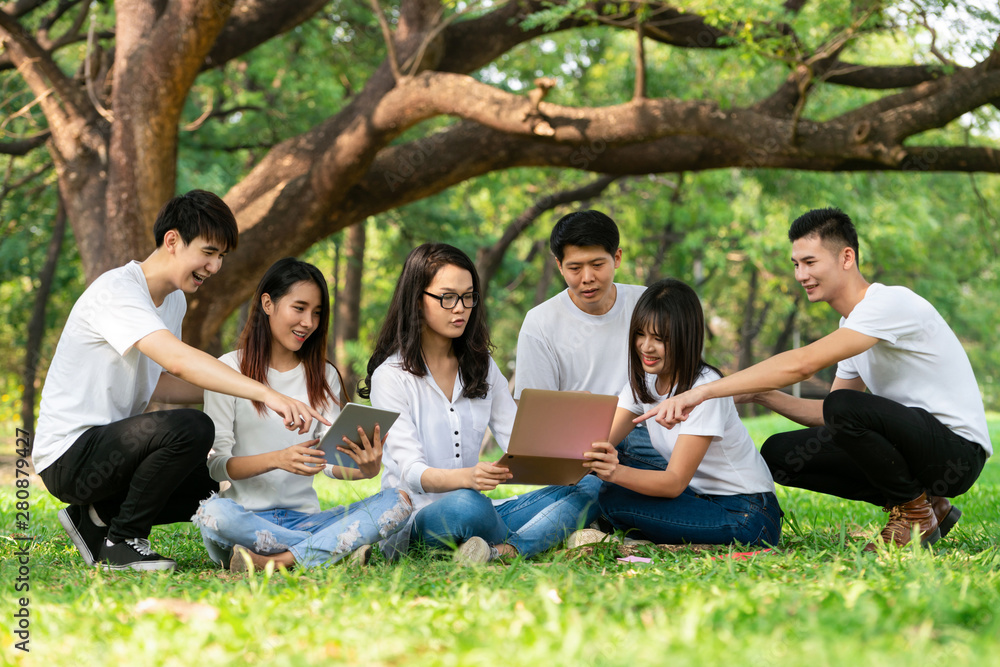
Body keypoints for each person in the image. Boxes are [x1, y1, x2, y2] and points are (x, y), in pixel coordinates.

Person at [639, 208, 991, 550]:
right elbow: (831, 417)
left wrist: (701, 392)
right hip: (919, 449)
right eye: (796, 264)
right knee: (780, 454)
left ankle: (914, 512)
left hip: (956, 452)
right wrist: (763, 395)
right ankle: (931, 505)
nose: (800, 274)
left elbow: (803, 364)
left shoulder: (889, 303)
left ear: (847, 257)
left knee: (844, 405)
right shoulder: (851, 326)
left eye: (809, 262)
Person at [34, 191, 328, 572]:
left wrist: (245, 395)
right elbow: (179, 361)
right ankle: (122, 543)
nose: (215, 266)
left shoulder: (172, 301)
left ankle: (93, 519)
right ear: (172, 241)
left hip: (109, 453)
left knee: (205, 484)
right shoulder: (117, 291)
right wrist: (264, 392)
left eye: (221, 256)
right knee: (193, 428)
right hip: (69, 456)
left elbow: (159, 383)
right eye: (208, 252)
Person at [360, 243, 601, 563]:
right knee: (468, 505)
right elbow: (412, 472)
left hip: (483, 511)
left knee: (594, 487)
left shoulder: (481, 365)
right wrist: (469, 478)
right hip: (419, 518)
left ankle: (503, 550)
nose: (460, 308)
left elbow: (521, 443)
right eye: (447, 297)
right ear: (418, 301)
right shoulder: (391, 376)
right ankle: (541, 534)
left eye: (468, 296)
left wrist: (568, 420)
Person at [192, 258, 412, 571]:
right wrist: (277, 459)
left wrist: (366, 468)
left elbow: (331, 463)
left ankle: (278, 559)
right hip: (244, 520)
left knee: (397, 501)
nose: (309, 322)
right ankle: (328, 547)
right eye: (299, 308)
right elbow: (217, 467)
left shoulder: (324, 376)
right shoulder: (228, 371)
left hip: (307, 518)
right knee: (214, 514)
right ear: (267, 303)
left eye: (317, 312)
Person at [578, 279, 781, 546]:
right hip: (699, 497)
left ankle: (630, 529)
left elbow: (674, 482)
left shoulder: (705, 388)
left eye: (659, 338)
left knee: (613, 496)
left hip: (747, 515)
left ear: (685, 338)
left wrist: (614, 473)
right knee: (615, 452)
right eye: (641, 334)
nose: (646, 347)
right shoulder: (645, 380)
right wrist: (580, 418)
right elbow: (602, 439)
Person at [514, 210, 665, 473]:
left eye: (597, 265)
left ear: (617, 257)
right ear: (559, 266)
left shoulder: (645, 304)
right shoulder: (540, 323)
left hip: (649, 432)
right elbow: (534, 415)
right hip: (579, 444)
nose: (587, 278)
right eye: (574, 268)